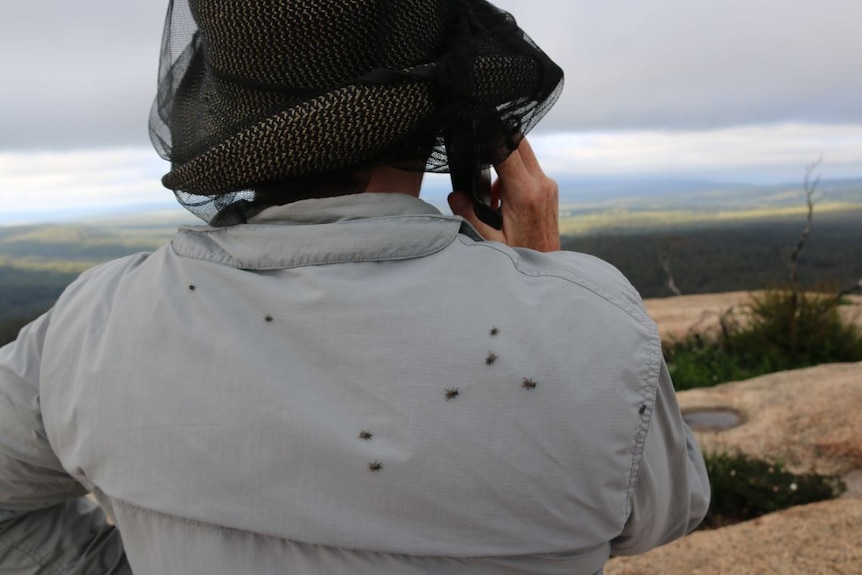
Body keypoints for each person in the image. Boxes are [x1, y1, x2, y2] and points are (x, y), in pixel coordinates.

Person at [0, 0, 709, 573]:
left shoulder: (90, 328)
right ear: (438, 98)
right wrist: (552, 281)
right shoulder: (597, 325)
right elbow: (660, 514)